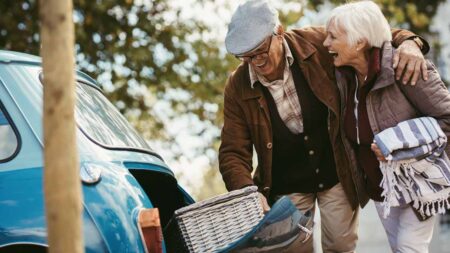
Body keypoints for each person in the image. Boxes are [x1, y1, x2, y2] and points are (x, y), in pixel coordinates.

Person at [219, 0, 428, 252]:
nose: (257, 62)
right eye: (246, 57)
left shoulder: (316, 42)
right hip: (286, 183)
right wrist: (247, 193)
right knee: (293, 248)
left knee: (340, 245)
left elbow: (371, 34)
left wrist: (409, 42)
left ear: (280, 32)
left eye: (261, 51)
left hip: (335, 169)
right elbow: (233, 151)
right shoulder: (237, 86)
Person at [323, 1, 450, 252]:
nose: (325, 44)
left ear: (359, 42)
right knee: (398, 247)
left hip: (419, 186)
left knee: (407, 246)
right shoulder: (345, 77)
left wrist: (400, 147)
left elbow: (447, 118)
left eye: (332, 37)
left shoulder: (405, 67)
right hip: (382, 190)